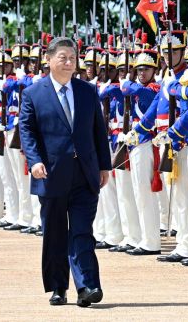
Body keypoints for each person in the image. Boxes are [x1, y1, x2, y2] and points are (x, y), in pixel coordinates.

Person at [19, 37, 112, 307]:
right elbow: (27, 131)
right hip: (50, 173)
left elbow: (98, 130)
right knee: (55, 233)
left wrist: (104, 165)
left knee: (82, 230)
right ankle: (58, 287)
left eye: (72, 58)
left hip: (85, 173)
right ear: (48, 60)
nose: (69, 62)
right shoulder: (33, 94)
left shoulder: (87, 90)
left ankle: (87, 286)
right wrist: (34, 161)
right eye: (63, 57)